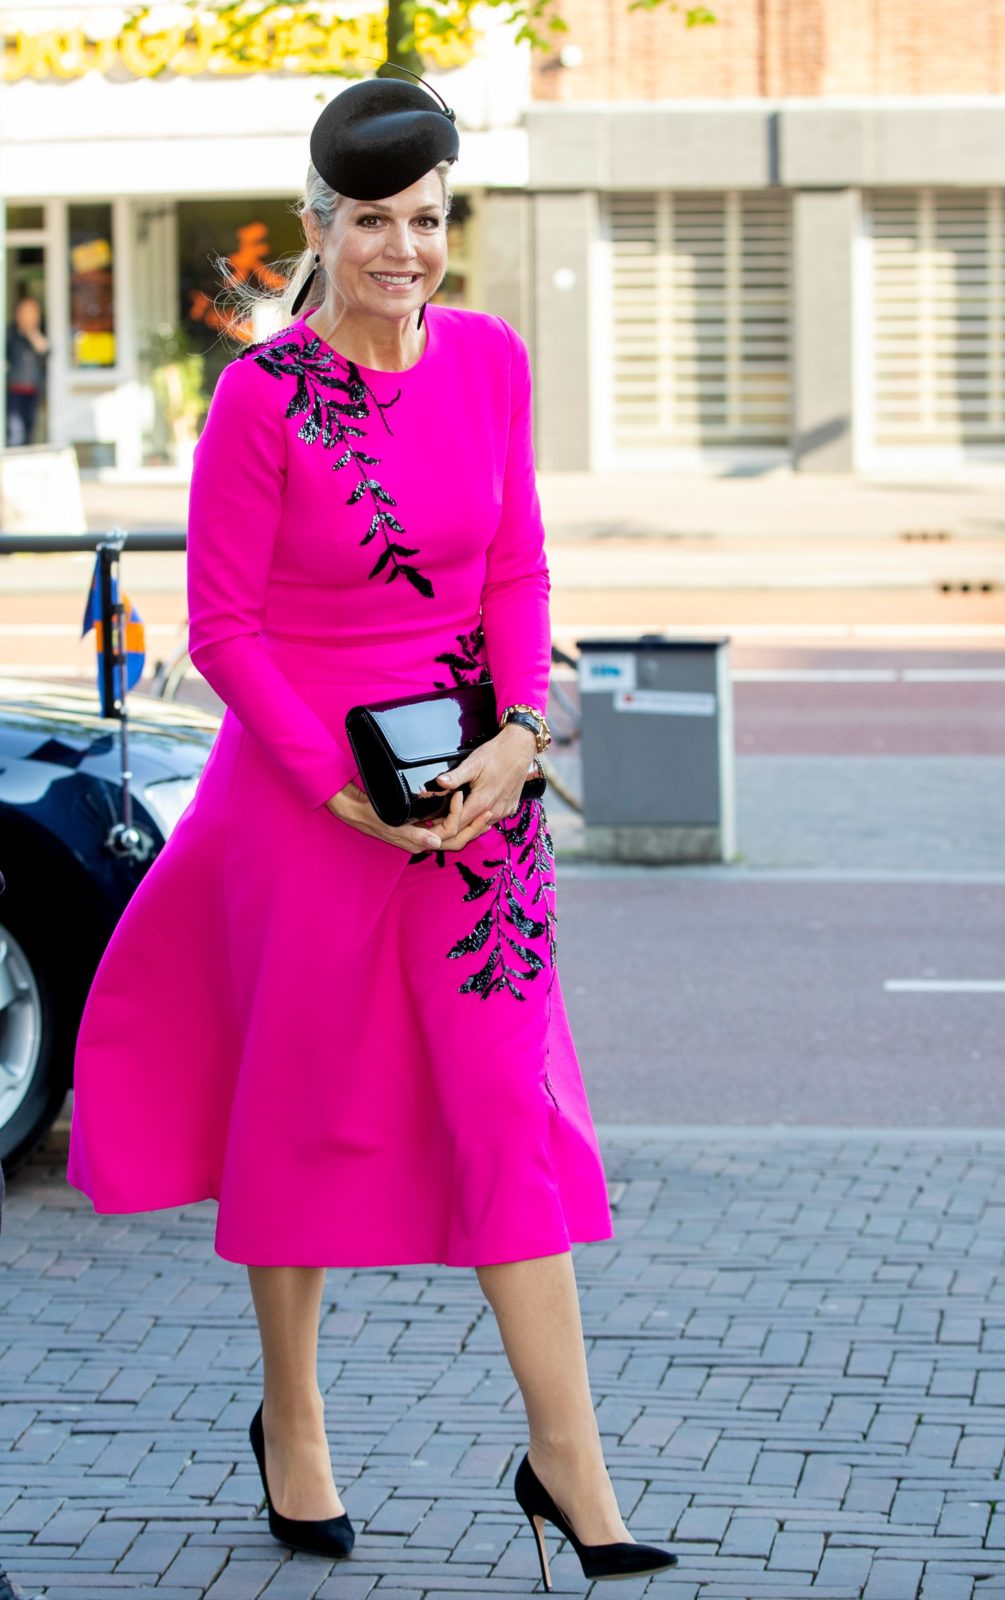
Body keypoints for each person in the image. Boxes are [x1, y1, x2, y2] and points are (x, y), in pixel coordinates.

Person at [65, 70, 678, 1588]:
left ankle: (571, 1466)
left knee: (506, 1110)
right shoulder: (264, 397)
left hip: (474, 798)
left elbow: (516, 571)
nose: (404, 248)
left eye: (427, 218)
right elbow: (223, 629)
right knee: (305, 1110)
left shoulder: (490, 361)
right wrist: (332, 786)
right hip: (303, 802)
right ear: (318, 229)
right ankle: (293, 1421)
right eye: (372, 221)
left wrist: (519, 739)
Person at [5, 293, 49, 447]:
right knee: (15, 433)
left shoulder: (40, 333)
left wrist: (31, 331)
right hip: (12, 393)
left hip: (33, 392)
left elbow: (45, 352)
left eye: (33, 312)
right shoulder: (10, 334)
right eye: (25, 311)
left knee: (30, 432)